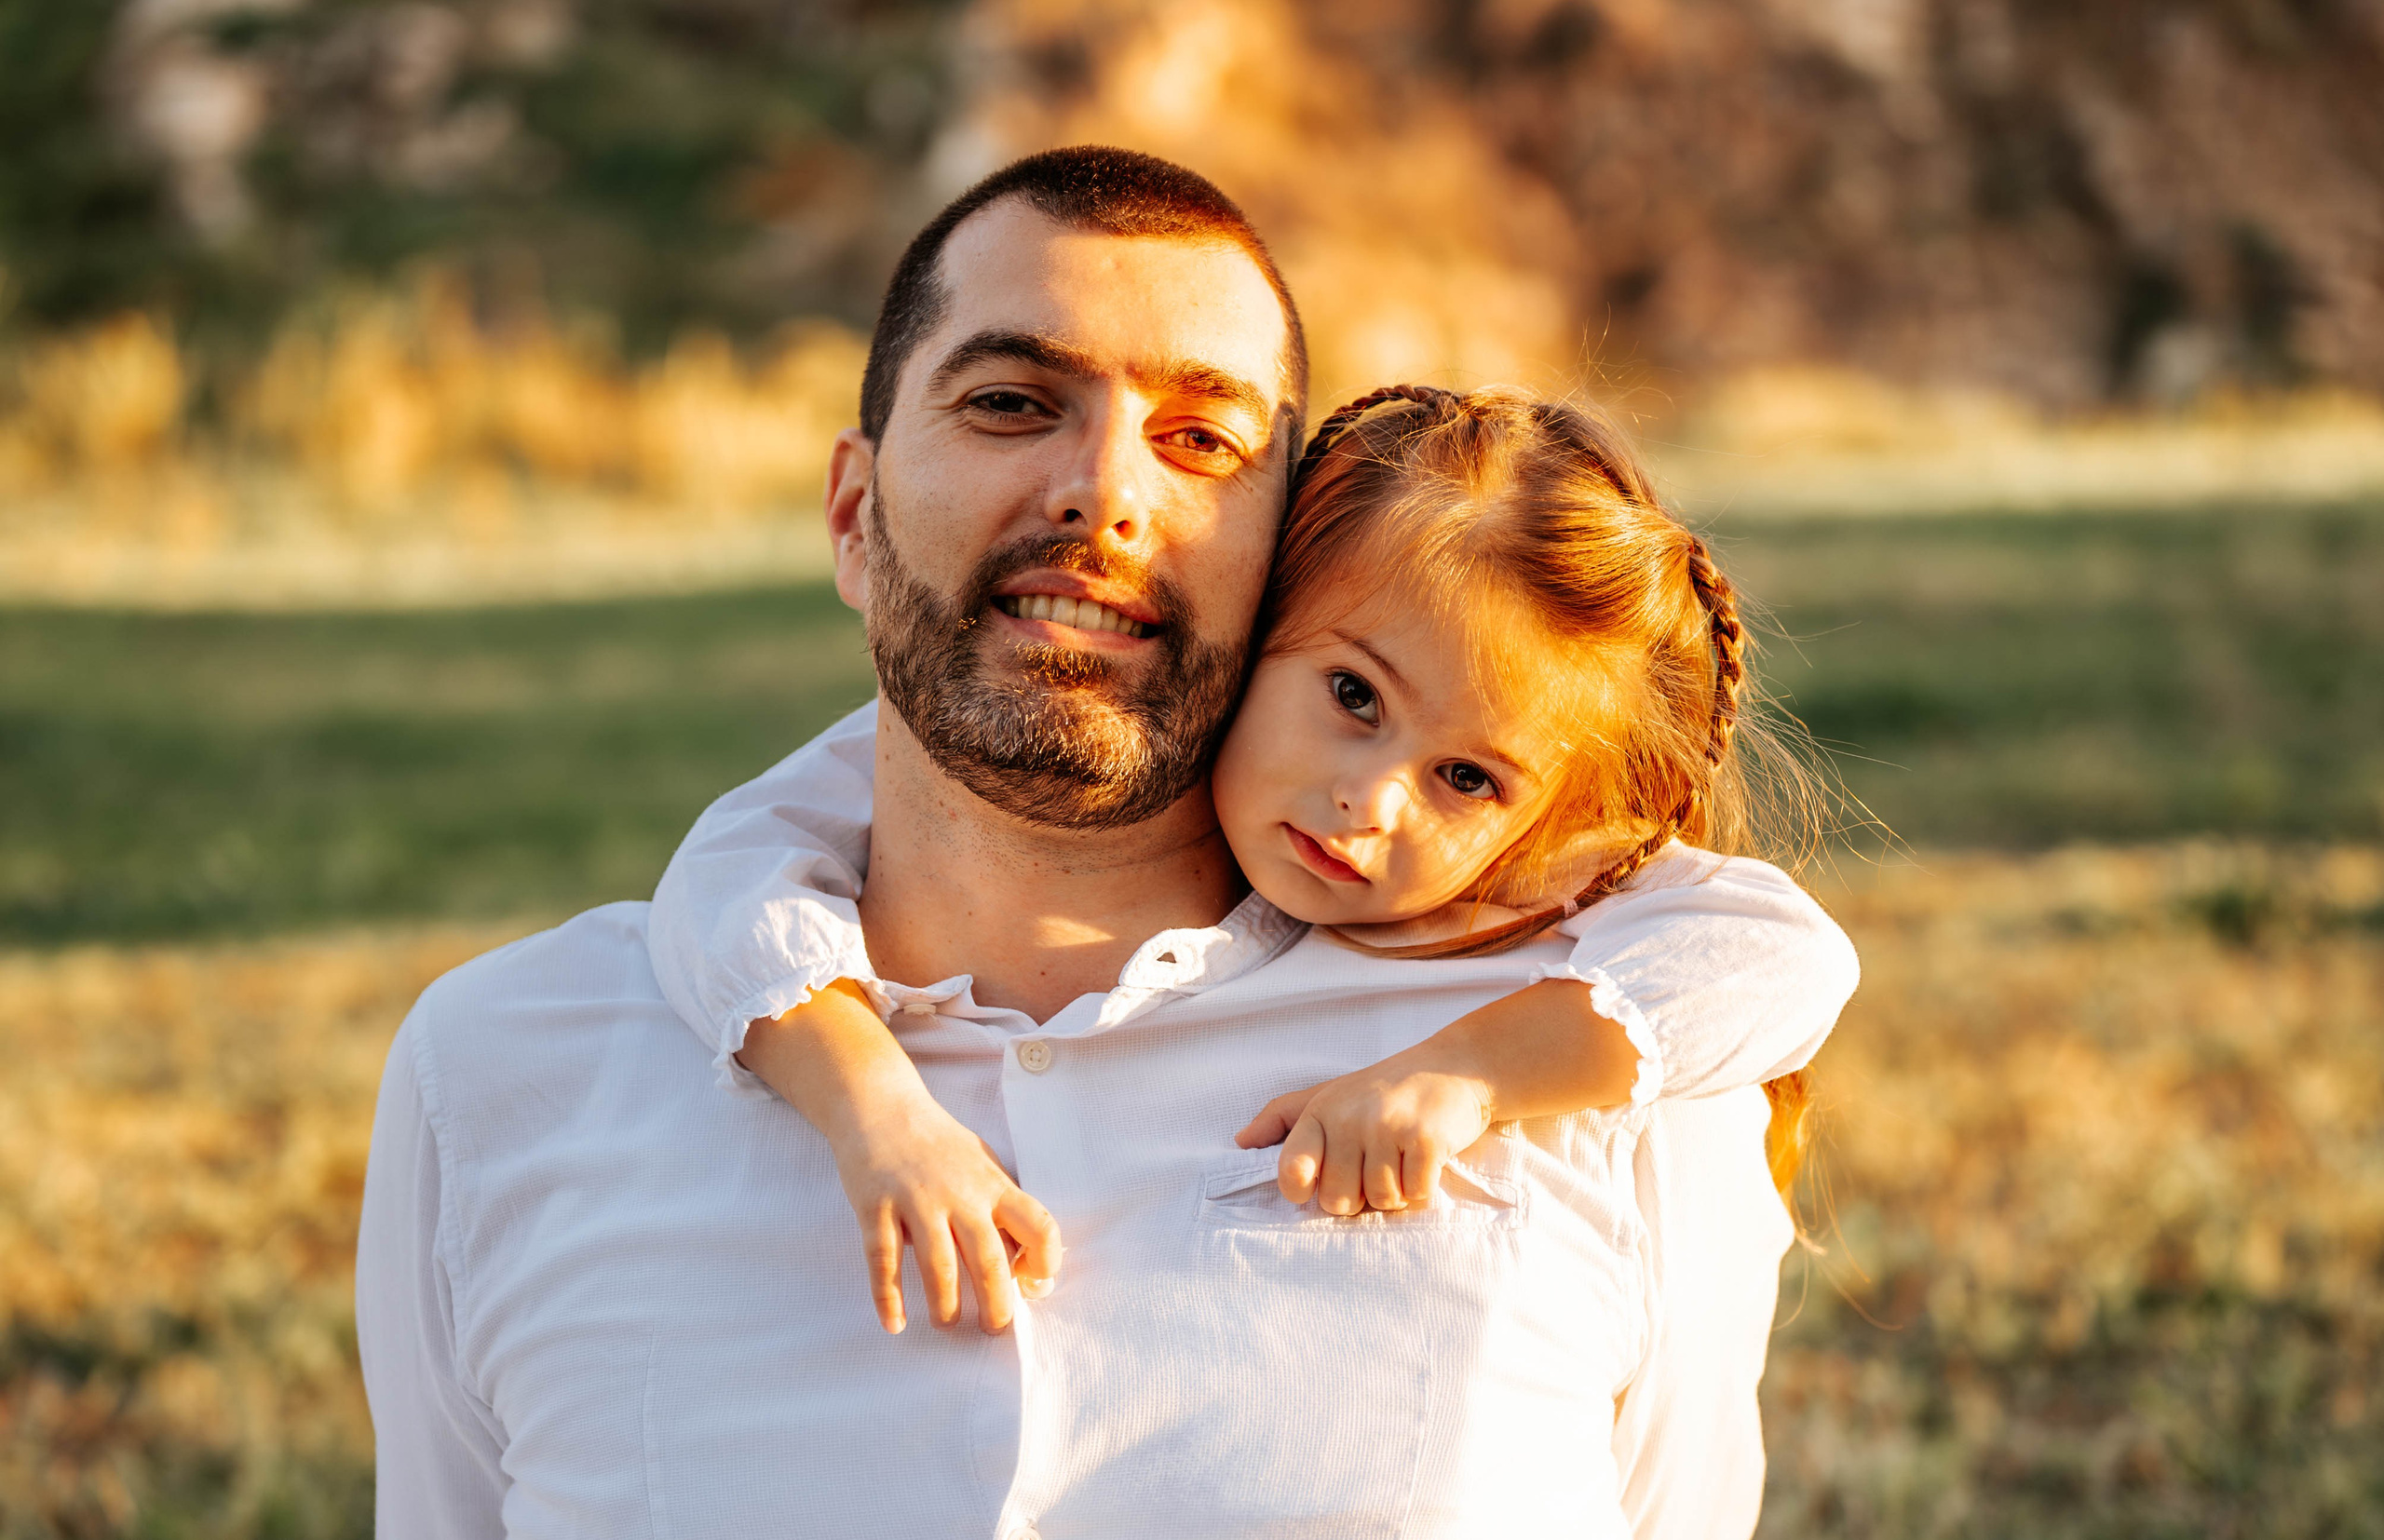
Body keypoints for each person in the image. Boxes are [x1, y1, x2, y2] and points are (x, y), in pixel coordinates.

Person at [357, 146, 1853, 1538]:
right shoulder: (497, 1073)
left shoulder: (1611, 1083)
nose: (1105, 496)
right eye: (1012, 401)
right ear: (850, 512)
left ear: (1286, 556)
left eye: (1199, 438)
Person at [650, 383, 1849, 1366]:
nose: (1370, 800)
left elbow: (1785, 956)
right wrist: (881, 1117)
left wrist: (1464, 1075)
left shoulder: (1518, 894)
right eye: (1351, 696)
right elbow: (731, 871)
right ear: (1257, 609)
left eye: (1468, 779)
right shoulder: (912, 795)